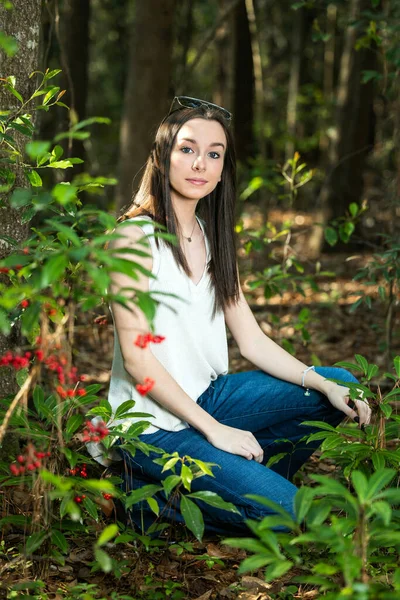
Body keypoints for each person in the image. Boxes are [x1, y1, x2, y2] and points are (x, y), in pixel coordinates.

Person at [105, 96, 371, 536]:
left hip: (210, 398)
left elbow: (252, 340)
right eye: (187, 149)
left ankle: (241, 481)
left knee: (333, 384)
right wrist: (216, 432)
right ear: (162, 154)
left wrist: (322, 382)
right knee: (295, 515)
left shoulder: (208, 237)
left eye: (214, 154)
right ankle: (150, 504)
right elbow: (138, 361)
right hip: (151, 429)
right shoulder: (133, 238)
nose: (200, 164)